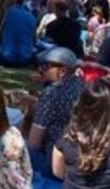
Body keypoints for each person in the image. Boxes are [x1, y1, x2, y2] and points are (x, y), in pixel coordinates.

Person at [26, 46, 86, 176]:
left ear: (62, 71)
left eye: (46, 66)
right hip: (84, 158)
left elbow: (34, 142)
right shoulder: (84, 87)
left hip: (56, 162)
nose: (40, 70)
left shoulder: (50, 94)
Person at [0, 0, 37, 68]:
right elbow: (34, 40)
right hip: (26, 58)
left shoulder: (5, 14)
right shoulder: (31, 16)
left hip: (7, 57)